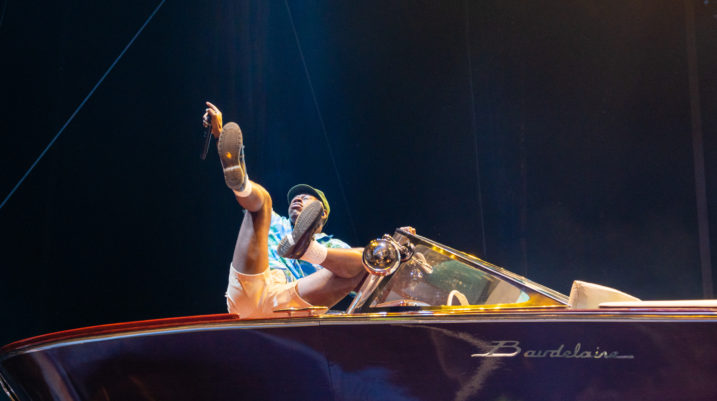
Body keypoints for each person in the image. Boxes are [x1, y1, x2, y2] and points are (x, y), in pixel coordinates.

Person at [203, 102, 367, 319]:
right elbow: (253, 203)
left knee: (364, 261)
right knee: (262, 201)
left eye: (305, 198)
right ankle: (242, 185)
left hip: (292, 301)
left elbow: (365, 281)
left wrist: (395, 255)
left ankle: (306, 249)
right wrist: (220, 136)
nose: (297, 199)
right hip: (252, 285)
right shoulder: (276, 222)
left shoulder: (334, 245)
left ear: (323, 213)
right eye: (294, 199)